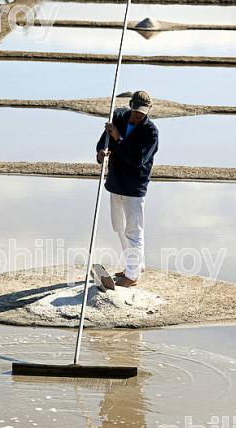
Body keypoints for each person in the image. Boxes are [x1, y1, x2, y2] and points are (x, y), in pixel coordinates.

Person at [96, 90, 159, 288]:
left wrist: (119, 139)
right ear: (130, 106)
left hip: (134, 186)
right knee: (118, 226)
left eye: (141, 114)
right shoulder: (119, 116)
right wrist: (101, 152)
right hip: (116, 181)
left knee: (133, 230)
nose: (136, 116)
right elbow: (104, 139)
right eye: (134, 112)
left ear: (147, 112)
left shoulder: (151, 132)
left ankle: (132, 276)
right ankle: (135, 264)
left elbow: (137, 160)